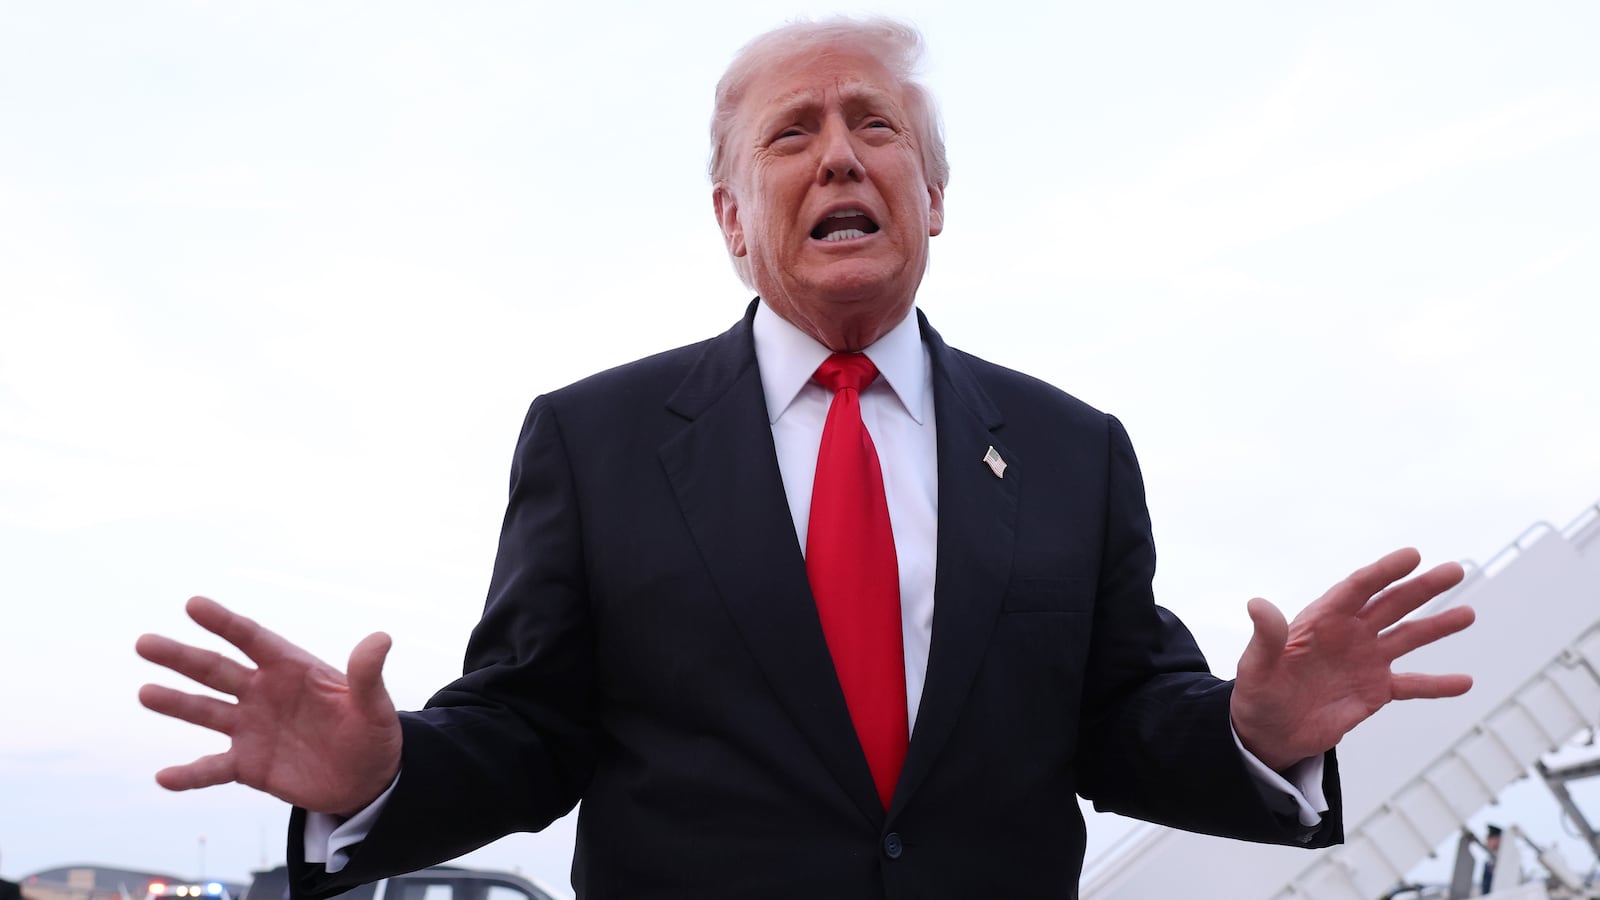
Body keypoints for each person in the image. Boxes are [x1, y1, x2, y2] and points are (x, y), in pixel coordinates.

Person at [136, 16, 1476, 899]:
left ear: (934, 197)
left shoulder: (1073, 450)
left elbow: (1120, 717)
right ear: (732, 216)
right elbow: (531, 730)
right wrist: (383, 777)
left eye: (876, 125)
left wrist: (1255, 739)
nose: (841, 151)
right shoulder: (594, 443)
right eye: (794, 132)